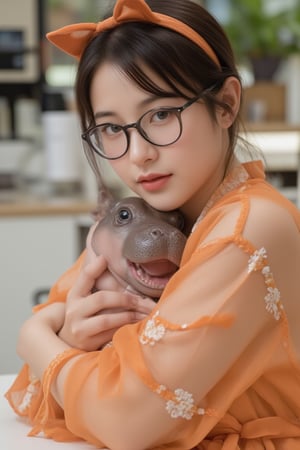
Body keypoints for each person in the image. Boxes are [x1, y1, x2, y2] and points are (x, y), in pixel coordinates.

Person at [5, 0, 300, 448]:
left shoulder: (247, 227)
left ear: (225, 104)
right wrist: (66, 342)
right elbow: (35, 388)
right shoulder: (153, 218)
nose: (138, 153)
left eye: (161, 114)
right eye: (110, 129)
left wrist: (37, 340)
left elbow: (127, 419)